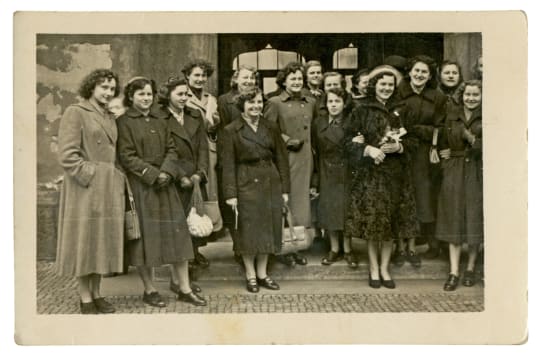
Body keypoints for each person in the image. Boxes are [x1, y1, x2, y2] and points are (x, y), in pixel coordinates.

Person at [117, 77, 206, 307]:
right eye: (141, 95)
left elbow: (171, 148)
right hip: (142, 187)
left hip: (166, 185)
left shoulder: (160, 118)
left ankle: (184, 288)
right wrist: (153, 175)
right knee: (144, 240)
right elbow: (126, 156)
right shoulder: (124, 122)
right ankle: (150, 289)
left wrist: (166, 172)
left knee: (178, 237)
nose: (146, 98)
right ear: (130, 97)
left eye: (149, 94)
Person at [55, 69, 125, 314]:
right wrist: (92, 175)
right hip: (85, 189)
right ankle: (85, 297)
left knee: (100, 241)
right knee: (84, 240)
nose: (108, 93)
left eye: (112, 89)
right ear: (91, 88)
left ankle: (97, 293)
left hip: (107, 188)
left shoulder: (109, 116)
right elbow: (67, 156)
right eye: (103, 87)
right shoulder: (76, 112)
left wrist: (112, 178)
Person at [344, 66, 418, 289]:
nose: (386, 88)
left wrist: (400, 147)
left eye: (390, 85)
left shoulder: (402, 110)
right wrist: (367, 150)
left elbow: (413, 141)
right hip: (371, 175)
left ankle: (385, 268)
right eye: (382, 84)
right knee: (374, 224)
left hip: (396, 175)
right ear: (374, 85)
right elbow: (347, 142)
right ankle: (373, 268)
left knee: (391, 224)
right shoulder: (361, 110)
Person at [221, 88, 291, 293]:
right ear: (242, 105)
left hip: (270, 182)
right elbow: (228, 165)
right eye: (251, 103)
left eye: (259, 102)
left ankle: (263, 273)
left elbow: (282, 159)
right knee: (248, 231)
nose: (255, 106)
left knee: (267, 229)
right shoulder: (231, 130)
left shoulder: (271, 127)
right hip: (245, 184)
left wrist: (285, 189)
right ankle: (250, 274)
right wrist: (231, 194)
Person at [156, 77, 210, 296]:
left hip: (194, 181)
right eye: (180, 94)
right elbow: (163, 151)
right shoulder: (159, 117)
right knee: (175, 231)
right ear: (168, 95)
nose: (185, 98)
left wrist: (199, 174)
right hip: (172, 181)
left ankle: (184, 278)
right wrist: (178, 176)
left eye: (187, 94)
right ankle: (176, 280)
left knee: (192, 229)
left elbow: (203, 150)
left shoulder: (195, 115)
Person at [393, 55, 447, 268]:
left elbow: (440, 127)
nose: (419, 75)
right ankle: (399, 247)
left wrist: (417, 130)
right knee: (400, 197)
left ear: (430, 75)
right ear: (409, 71)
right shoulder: (398, 93)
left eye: (424, 72)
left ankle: (413, 246)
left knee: (419, 198)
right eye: (416, 70)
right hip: (400, 152)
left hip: (424, 156)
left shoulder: (437, 97)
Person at [264, 61, 318, 267]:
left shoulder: (311, 101)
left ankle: (297, 245)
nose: (296, 82)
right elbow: (269, 129)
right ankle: (285, 248)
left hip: (307, 159)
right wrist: (287, 140)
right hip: (287, 158)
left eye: (299, 78)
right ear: (283, 81)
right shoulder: (275, 102)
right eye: (292, 78)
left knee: (302, 203)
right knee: (288, 202)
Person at [436, 80, 483, 291]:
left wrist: (472, 139)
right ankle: (453, 271)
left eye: (475, 95)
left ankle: (471, 268)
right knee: (453, 217)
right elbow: (443, 141)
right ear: (461, 95)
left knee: (474, 218)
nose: (471, 98)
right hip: (454, 170)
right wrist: (445, 156)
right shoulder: (452, 116)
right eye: (467, 95)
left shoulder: (488, 116)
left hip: (476, 170)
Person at [311, 88, 358, 268]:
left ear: (344, 104)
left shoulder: (352, 122)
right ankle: (334, 249)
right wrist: (316, 179)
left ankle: (348, 249)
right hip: (326, 169)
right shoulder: (318, 123)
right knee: (330, 209)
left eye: (337, 101)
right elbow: (315, 150)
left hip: (347, 170)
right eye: (330, 102)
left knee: (346, 211)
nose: (333, 105)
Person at [181, 59, 220, 268]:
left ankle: (198, 248)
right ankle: (188, 252)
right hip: (189, 152)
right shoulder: (181, 95)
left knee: (204, 199)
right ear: (187, 76)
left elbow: (213, 126)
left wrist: (214, 125)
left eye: (203, 75)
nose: (200, 79)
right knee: (188, 200)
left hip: (209, 152)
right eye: (196, 75)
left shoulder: (211, 99)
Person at [217, 65, 258, 250]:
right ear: (235, 80)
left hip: (253, 155)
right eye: (245, 78)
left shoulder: (257, 98)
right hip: (233, 154)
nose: (248, 81)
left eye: (252, 78)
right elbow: (224, 129)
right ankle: (238, 247)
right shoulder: (225, 100)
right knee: (234, 207)